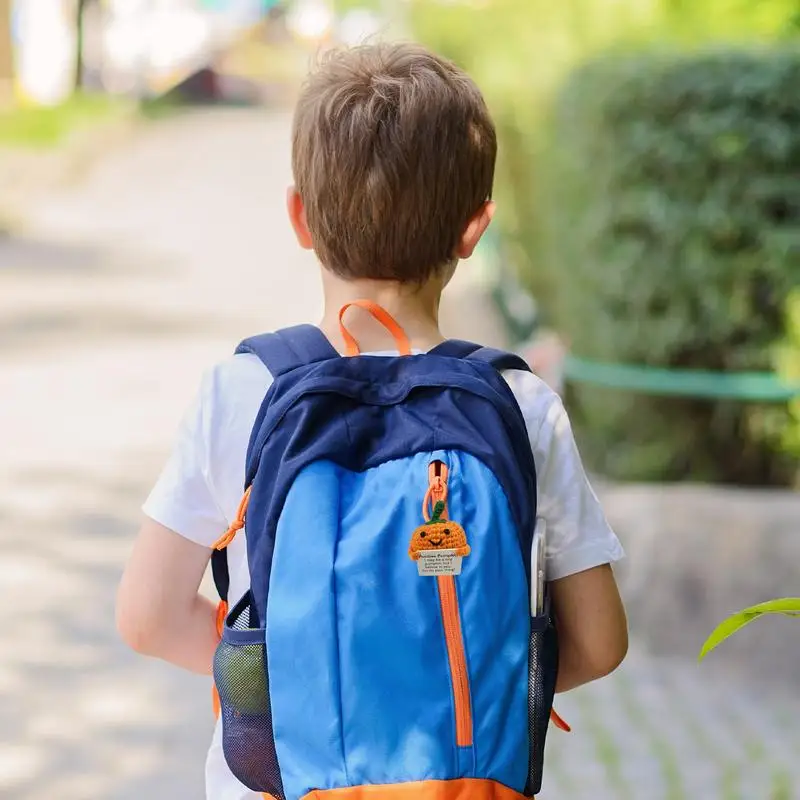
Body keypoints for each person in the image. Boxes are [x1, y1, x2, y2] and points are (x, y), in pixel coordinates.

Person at [116, 42, 628, 800]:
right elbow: (598, 642)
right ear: (475, 228)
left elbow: (148, 618)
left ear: (299, 217)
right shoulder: (520, 407)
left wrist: (295, 682)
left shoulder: (243, 391)